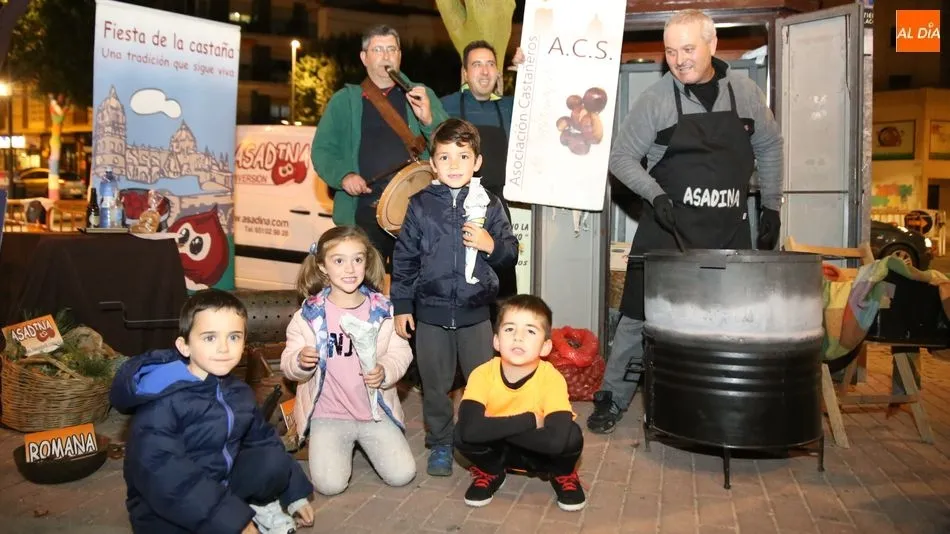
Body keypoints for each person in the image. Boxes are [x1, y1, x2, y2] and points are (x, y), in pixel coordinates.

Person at [587, 9, 784, 434]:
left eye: (689, 49)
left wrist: (771, 206)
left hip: (728, 230)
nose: (679, 60)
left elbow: (769, 145)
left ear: (712, 45)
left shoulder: (745, 93)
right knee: (638, 316)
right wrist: (655, 196)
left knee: (726, 321)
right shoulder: (657, 99)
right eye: (671, 51)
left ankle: (717, 402)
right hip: (667, 227)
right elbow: (620, 158)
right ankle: (612, 398)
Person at [110, 289, 314, 534]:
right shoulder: (162, 402)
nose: (223, 348)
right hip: (164, 504)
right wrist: (235, 522)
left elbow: (264, 441)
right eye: (209, 338)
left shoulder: (237, 392)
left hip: (220, 485)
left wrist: (294, 494)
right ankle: (239, 512)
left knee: (270, 458)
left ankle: (250, 506)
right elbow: (168, 478)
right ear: (184, 346)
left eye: (234, 337)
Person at [391, 118, 519, 476]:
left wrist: (489, 244)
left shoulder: (490, 204)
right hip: (430, 314)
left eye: (462, 156)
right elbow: (404, 259)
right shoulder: (419, 205)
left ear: (477, 162)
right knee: (435, 386)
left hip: (476, 314)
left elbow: (510, 252)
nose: (453, 165)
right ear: (432, 163)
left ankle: (479, 441)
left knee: (481, 382)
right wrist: (402, 305)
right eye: (444, 157)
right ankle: (441, 443)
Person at [280, 225, 416, 496]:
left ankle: (363, 442)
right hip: (328, 415)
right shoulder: (309, 315)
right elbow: (288, 361)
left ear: (367, 262)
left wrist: (385, 370)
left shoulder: (383, 310)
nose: (350, 269)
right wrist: (299, 361)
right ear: (322, 267)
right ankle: (338, 445)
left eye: (357, 259)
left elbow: (401, 352)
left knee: (403, 475)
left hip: (374, 412)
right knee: (330, 486)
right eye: (338, 260)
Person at [310, 24, 449, 273]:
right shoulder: (344, 101)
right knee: (364, 287)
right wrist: (344, 176)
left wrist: (429, 120)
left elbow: (447, 146)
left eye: (391, 49)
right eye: (378, 49)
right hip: (363, 212)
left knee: (412, 290)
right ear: (364, 57)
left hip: (416, 212)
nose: (386, 55)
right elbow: (322, 150)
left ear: (399, 55)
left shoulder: (420, 94)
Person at [455, 294, 586, 512]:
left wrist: (491, 428)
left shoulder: (552, 378)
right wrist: (530, 419)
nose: (518, 337)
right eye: (509, 329)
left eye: (530, 331)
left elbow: (555, 442)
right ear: (496, 341)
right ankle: (492, 472)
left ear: (545, 347)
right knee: (459, 433)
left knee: (571, 437)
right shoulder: (482, 374)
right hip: (501, 450)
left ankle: (562, 474)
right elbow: (469, 431)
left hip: (540, 453)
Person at [441, 40, 522, 302]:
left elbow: (544, 101)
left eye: (490, 64)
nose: (485, 71)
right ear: (465, 74)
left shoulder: (511, 108)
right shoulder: (445, 107)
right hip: (456, 210)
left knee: (503, 289)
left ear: (498, 72)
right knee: (460, 285)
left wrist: (529, 69)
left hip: (499, 209)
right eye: (477, 65)